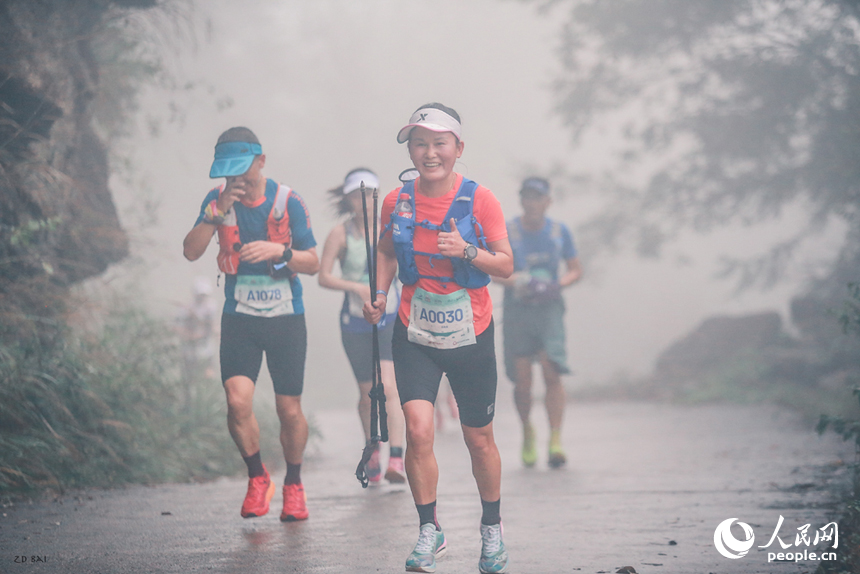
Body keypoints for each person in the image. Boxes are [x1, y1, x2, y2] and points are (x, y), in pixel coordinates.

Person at [363, 103, 514, 574]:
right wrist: (380, 293)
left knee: (479, 439)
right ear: (410, 149)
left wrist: (468, 250)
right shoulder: (396, 201)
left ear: (458, 148)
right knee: (419, 430)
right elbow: (386, 250)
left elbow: (506, 265)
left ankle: (491, 529)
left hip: (471, 333)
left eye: (439, 143)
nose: (429, 153)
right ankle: (430, 530)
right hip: (414, 331)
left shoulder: (480, 200)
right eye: (419, 143)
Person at [182, 127, 319, 522]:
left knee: (288, 409)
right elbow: (191, 251)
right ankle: (258, 477)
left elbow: (313, 263)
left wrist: (282, 251)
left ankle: (293, 483)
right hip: (239, 317)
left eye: (241, 172)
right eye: (228, 174)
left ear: (261, 161)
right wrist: (216, 211)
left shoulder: (288, 201)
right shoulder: (216, 201)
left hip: (285, 318)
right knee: (237, 401)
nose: (235, 181)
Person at [318, 167, 406, 484]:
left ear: (378, 197)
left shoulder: (391, 229)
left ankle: (397, 457)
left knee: (391, 388)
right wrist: (355, 287)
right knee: (368, 393)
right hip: (355, 322)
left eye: (368, 194)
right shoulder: (340, 234)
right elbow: (323, 276)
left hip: (390, 317)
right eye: (356, 195)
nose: (363, 200)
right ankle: (373, 450)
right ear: (348, 199)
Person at [494, 177, 582, 469]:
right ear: (521, 200)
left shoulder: (559, 232)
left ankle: (555, 439)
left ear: (548, 201)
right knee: (522, 380)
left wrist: (556, 285)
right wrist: (519, 281)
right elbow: (493, 270)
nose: (532, 203)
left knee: (551, 371)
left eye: (537, 197)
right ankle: (527, 432)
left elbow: (575, 269)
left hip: (549, 310)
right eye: (527, 197)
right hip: (518, 310)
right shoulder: (507, 231)